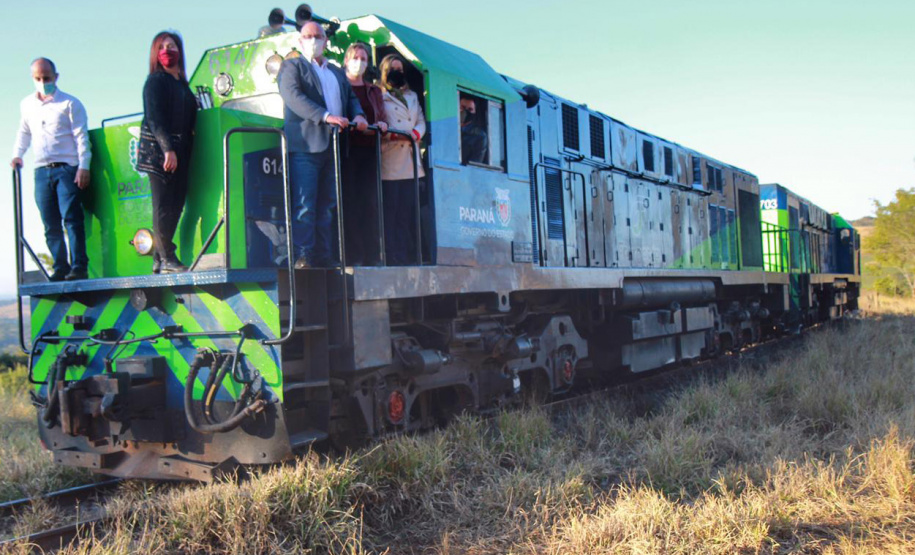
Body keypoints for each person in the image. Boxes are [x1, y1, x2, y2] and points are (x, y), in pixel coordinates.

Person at [277, 22, 368, 269]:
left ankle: (323, 255)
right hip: (305, 146)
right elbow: (294, 98)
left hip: (335, 147)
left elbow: (350, 98)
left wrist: (359, 116)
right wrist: (326, 116)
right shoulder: (291, 67)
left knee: (327, 205)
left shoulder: (337, 72)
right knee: (305, 204)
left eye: (318, 36)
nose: (313, 40)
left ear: (325, 41)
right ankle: (303, 255)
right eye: (308, 36)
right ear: (300, 40)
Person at [11, 58, 91, 281]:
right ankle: (60, 267)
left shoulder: (70, 104)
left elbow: (81, 137)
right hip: (41, 170)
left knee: (72, 219)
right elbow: (24, 132)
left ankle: (78, 266)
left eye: (46, 78)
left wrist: (83, 166)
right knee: (50, 223)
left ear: (55, 77)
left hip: (67, 168)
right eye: (38, 78)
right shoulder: (27, 104)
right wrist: (17, 154)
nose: (42, 82)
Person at [136, 31, 198, 274]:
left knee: (176, 204)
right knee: (163, 205)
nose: (167, 50)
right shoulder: (155, 82)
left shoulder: (182, 85)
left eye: (171, 46)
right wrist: (167, 149)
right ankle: (167, 256)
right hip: (160, 153)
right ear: (155, 53)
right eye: (162, 47)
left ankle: (160, 258)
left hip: (180, 152)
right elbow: (154, 118)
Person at [342, 42, 388, 266]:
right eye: (355, 57)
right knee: (349, 203)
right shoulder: (340, 87)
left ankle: (373, 254)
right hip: (346, 152)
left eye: (363, 58)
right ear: (346, 60)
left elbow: (382, 117)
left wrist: (381, 125)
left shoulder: (374, 90)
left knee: (370, 203)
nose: (358, 62)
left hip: (370, 152)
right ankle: (354, 255)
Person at [379, 54, 425, 266]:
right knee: (392, 212)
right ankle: (391, 255)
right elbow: (379, 122)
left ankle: (408, 254)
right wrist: (395, 135)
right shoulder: (379, 95)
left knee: (408, 212)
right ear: (385, 71)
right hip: (391, 159)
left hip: (411, 159)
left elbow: (421, 121)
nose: (397, 72)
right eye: (393, 68)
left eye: (400, 68)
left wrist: (415, 133)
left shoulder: (413, 96)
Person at [460, 95, 488, 165]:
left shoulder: (480, 136)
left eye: (470, 109)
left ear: (474, 112)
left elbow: (475, 164)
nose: (466, 112)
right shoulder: (446, 129)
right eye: (463, 107)